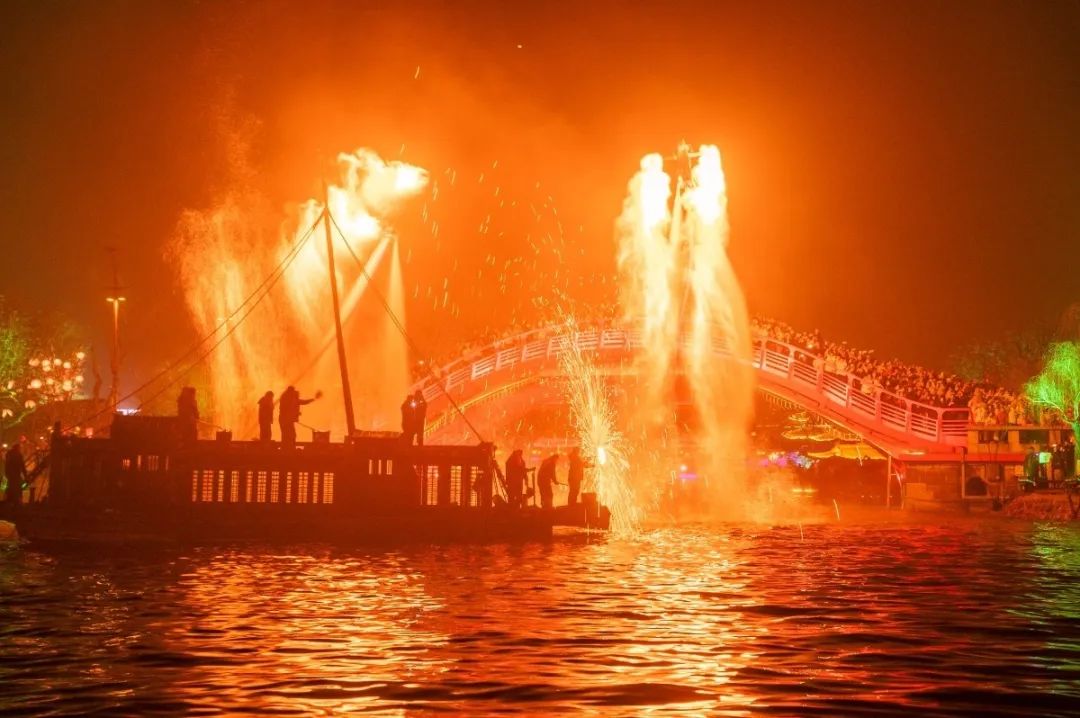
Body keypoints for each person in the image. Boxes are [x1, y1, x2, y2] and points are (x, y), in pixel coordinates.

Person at [4, 441, 26, 507]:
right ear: (17, 448)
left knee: (9, 487)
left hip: (9, 475)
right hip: (16, 474)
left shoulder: (8, 454)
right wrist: (25, 475)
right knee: (18, 487)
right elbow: (22, 465)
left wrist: (6, 473)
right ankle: (18, 502)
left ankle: (9, 501)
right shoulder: (18, 455)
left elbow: (7, 464)